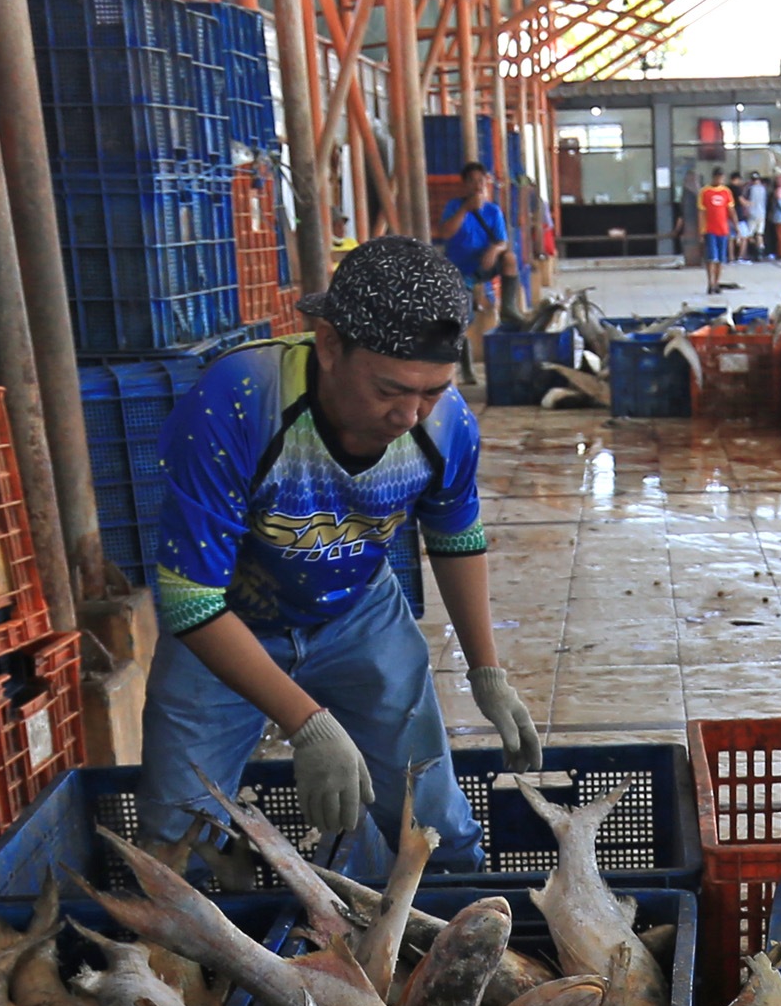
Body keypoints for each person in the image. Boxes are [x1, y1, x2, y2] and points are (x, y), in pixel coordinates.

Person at [142, 238, 540, 883]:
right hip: (225, 627)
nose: (408, 415)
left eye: (432, 391)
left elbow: (454, 536)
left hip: (360, 613)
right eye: (389, 389)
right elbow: (189, 600)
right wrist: (306, 723)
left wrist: (487, 672)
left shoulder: (447, 425)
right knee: (176, 842)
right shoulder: (238, 401)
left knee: (433, 823)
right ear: (328, 344)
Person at [438, 163, 526, 328]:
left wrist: (494, 250)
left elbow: (502, 242)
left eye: (481, 181)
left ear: (486, 183)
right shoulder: (454, 206)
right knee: (465, 316)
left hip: (484, 264)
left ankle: (508, 309)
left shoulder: (493, 211)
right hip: (458, 268)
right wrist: (465, 209)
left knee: (509, 258)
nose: (477, 185)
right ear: (465, 185)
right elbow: (446, 233)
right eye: (472, 181)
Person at [698, 173, 733, 287]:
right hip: (710, 229)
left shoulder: (726, 192)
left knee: (721, 259)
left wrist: (736, 227)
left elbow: (731, 210)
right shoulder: (705, 191)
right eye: (718, 178)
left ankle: (716, 283)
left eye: (722, 178)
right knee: (711, 258)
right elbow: (701, 212)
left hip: (723, 229)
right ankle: (710, 282)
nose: (720, 180)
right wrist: (701, 230)